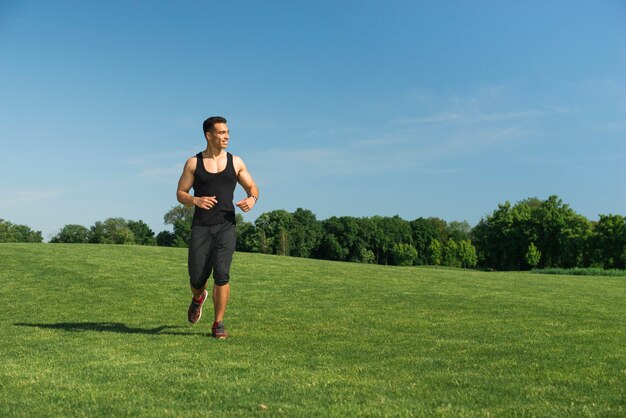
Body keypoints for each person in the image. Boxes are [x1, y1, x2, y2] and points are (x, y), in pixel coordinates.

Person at [176, 116, 259, 339]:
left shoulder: (236, 162)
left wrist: (252, 198)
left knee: (222, 274)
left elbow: (252, 186)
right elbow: (180, 193)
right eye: (222, 133)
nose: (227, 136)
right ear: (209, 135)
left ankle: (218, 323)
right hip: (201, 227)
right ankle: (197, 297)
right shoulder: (194, 163)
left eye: (228, 132)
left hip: (226, 226)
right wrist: (196, 200)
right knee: (196, 278)